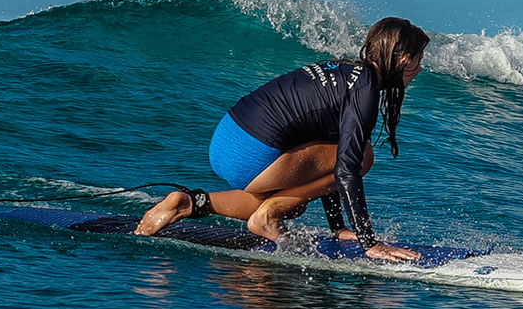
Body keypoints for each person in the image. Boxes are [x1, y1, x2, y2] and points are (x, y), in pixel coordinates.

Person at [135, 16, 431, 262]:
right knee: (363, 156)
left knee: (293, 202)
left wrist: (338, 227)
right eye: (418, 58)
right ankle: (267, 216)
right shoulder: (366, 87)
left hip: (227, 139)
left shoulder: (346, 70)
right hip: (252, 151)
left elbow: (329, 156)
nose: (419, 67)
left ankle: (190, 203)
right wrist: (370, 244)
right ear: (403, 58)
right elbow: (346, 168)